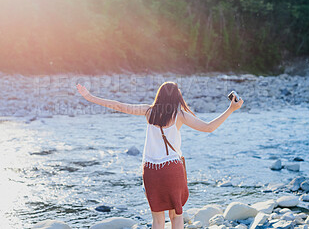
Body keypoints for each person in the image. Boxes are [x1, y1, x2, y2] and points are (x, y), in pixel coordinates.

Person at [76, 81, 244, 229]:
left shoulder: (148, 112)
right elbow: (208, 127)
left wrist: (90, 97)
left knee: (157, 220)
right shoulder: (180, 115)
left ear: (159, 96)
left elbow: (119, 105)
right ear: (177, 97)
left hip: (151, 170)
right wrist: (231, 108)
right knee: (176, 216)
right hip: (172, 169)